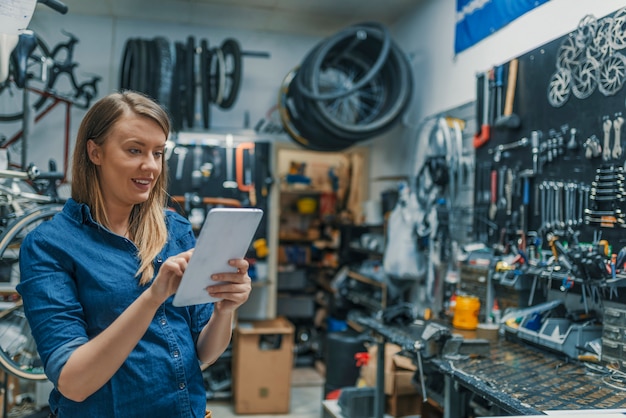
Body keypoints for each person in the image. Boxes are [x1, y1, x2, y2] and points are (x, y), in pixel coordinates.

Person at [17, 90, 251, 417]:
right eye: (134, 150)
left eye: (158, 152)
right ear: (95, 152)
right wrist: (153, 297)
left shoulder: (176, 230)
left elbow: (203, 352)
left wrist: (225, 310)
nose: (151, 166)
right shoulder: (49, 245)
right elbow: (73, 383)